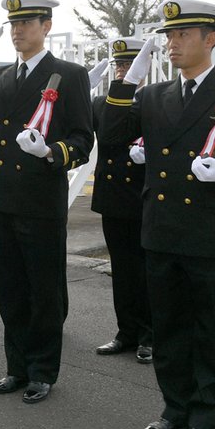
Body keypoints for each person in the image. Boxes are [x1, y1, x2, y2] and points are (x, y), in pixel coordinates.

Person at [99, 0, 215, 429]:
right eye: (169, 36)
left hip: (209, 231)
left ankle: (206, 415)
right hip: (161, 229)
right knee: (169, 327)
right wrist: (128, 79)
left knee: (210, 329)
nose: (172, 43)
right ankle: (173, 408)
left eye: (182, 35)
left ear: (210, 38)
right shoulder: (154, 95)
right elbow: (114, 133)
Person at [0, 0, 94, 404]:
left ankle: (42, 370)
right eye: (13, 25)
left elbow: (83, 137)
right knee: (10, 288)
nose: (18, 31)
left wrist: (50, 152)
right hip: (6, 197)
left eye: (27, 23)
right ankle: (16, 366)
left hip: (43, 196)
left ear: (46, 26)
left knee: (43, 289)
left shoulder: (69, 74)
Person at [91, 38, 153, 364]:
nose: (122, 71)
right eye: (118, 65)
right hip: (112, 196)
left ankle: (148, 335)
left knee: (144, 270)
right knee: (122, 269)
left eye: (128, 65)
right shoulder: (102, 103)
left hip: (141, 197)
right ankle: (125, 331)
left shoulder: (151, 102)